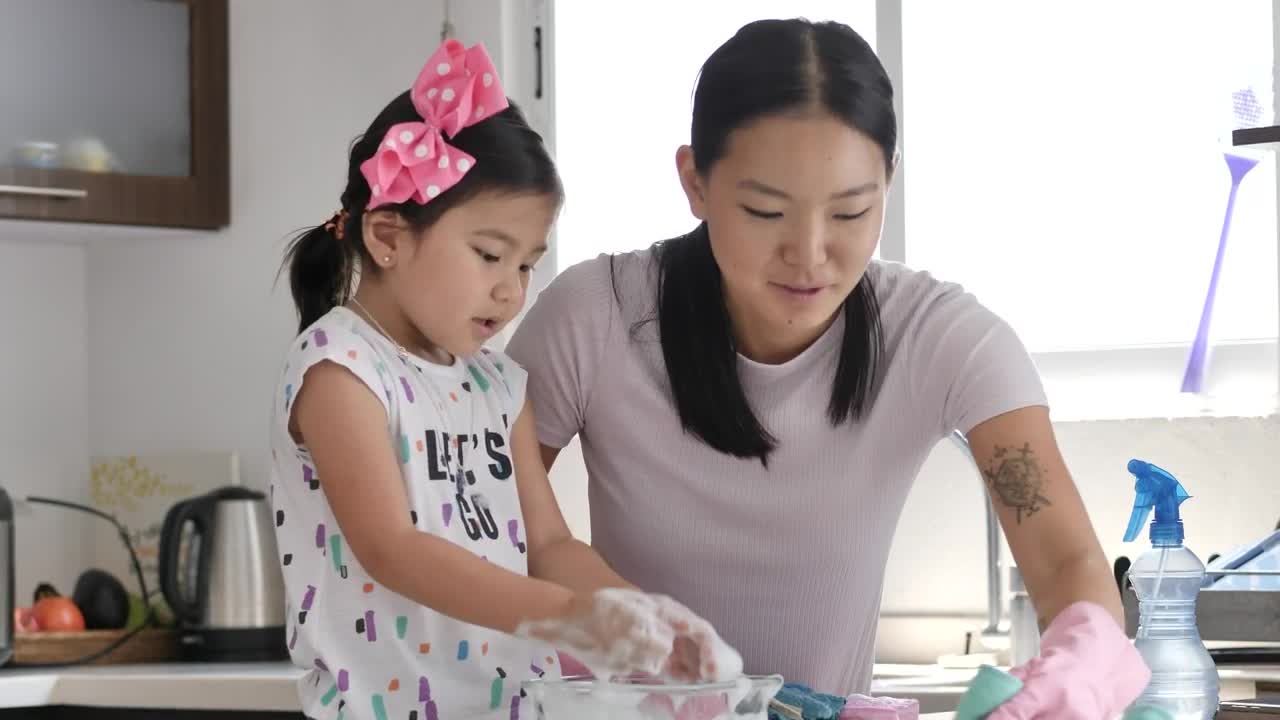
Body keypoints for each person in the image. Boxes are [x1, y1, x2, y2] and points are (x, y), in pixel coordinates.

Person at [507, 18, 1150, 718]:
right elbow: (481, 524)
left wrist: (1076, 671)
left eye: (850, 212)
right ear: (694, 181)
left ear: (890, 182)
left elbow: (1065, 565)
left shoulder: (940, 336)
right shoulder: (592, 317)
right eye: (765, 210)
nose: (810, 255)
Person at [268, 39, 734, 720]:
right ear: (389, 237)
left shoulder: (499, 387)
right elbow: (393, 551)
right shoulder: (341, 369)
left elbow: (548, 546)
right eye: (490, 255)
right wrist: (571, 616)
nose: (512, 291)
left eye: (526, 265)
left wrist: (636, 616)